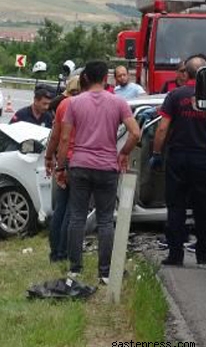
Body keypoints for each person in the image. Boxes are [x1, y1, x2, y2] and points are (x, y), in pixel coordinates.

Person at [56, 60, 141, 284]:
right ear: (106, 79)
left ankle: (75, 269)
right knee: (105, 220)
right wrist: (123, 154)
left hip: (80, 165)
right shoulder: (118, 102)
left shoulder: (74, 103)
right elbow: (135, 133)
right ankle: (104, 272)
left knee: (77, 217)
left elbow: (64, 138)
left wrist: (61, 166)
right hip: (106, 167)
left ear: (85, 78)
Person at [150, 54, 206, 267]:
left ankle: (175, 255)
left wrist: (156, 154)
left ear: (187, 72)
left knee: (176, 206)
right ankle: (203, 255)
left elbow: (162, 128)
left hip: (178, 157)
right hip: (202, 157)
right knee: (203, 207)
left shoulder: (175, 96)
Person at [44, 73, 87, 262]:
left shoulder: (62, 105)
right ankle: (64, 251)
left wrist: (49, 157)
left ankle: (55, 251)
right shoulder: (85, 105)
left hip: (63, 159)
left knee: (60, 207)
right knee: (73, 209)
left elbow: (56, 136)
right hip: (78, 160)